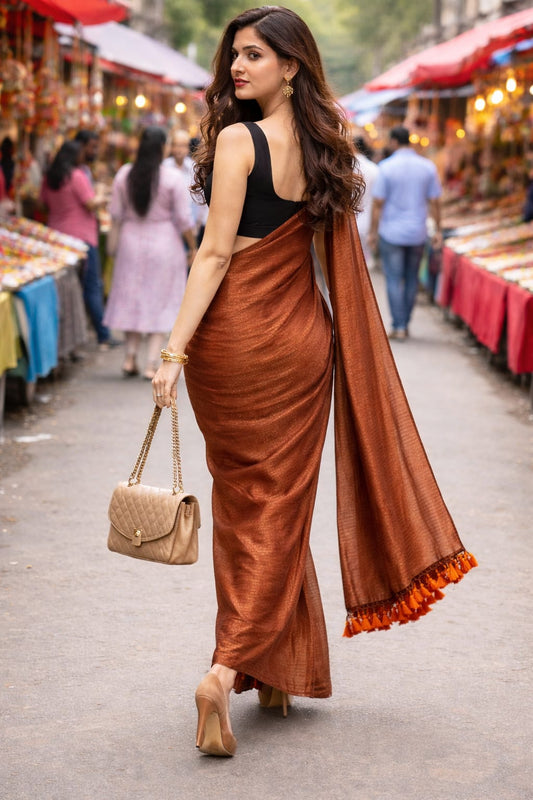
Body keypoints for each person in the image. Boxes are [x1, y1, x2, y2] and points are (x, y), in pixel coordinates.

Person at [149, 7, 476, 758]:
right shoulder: (327, 147)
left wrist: (173, 352)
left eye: (254, 55)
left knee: (249, 509)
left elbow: (215, 255)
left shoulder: (239, 140)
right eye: (235, 55)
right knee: (282, 508)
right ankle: (267, 668)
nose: (238, 67)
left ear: (291, 65)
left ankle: (226, 666)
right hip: (300, 345)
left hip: (233, 344)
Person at [103, 127, 197, 379]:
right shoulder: (171, 178)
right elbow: (184, 219)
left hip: (130, 242)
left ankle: (129, 358)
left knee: (131, 297)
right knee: (161, 299)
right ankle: (150, 363)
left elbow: (116, 213)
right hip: (164, 245)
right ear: (162, 148)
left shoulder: (124, 174)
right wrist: (192, 246)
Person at [368, 126, 442, 340]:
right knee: (411, 278)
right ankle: (405, 323)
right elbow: (435, 201)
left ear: (393, 142)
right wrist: (438, 229)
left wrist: (373, 232)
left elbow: (378, 204)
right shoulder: (427, 166)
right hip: (417, 232)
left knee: (393, 278)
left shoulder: (386, 167)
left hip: (391, 232)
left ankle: (398, 325)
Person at [40, 140, 114, 348]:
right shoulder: (76, 176)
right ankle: (103, 334)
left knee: (66, 291)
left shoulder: (49, 178)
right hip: (81, 239)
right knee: (91, 286)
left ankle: (66, 340)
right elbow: (91, 203)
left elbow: (41, 204)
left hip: (56, 237)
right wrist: (102, 194)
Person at [164, 129, 208, 248]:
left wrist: (197, 225)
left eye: (182, 145)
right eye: (176, 145)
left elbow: (200, 199)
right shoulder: (164, 167)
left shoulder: (195, 168)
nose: (179, 149)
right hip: (169, 228)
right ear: (171, 147)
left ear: (188, 147)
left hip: (191, 227)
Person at [353, 136, 378, 268]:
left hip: (349, 220)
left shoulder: (345, 167)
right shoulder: (374, 169)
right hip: (368, 219)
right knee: (364, 264)